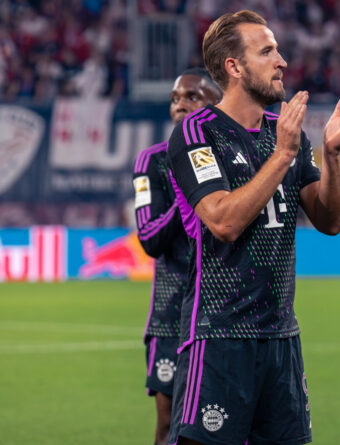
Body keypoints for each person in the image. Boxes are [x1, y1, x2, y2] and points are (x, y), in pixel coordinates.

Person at [166, 10, 340, 445]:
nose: (283, 61)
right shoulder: (196, 133)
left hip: (281, 339)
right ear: (234, 67)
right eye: (267, 51)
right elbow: (223, 220)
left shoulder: (287, 133)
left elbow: (330, 221)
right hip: (217, 338)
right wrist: (282, 155)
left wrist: (330, 156)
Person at [133, 67, 222, 445]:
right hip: (171, 315)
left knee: (220, 426)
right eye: (174, 98)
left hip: (220, 313)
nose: (180, 104)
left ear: (216, 105)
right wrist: (189, 193)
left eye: (192, 96)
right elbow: (150, 238)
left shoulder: (231, 158)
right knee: (169, 427)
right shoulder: (151, 162)